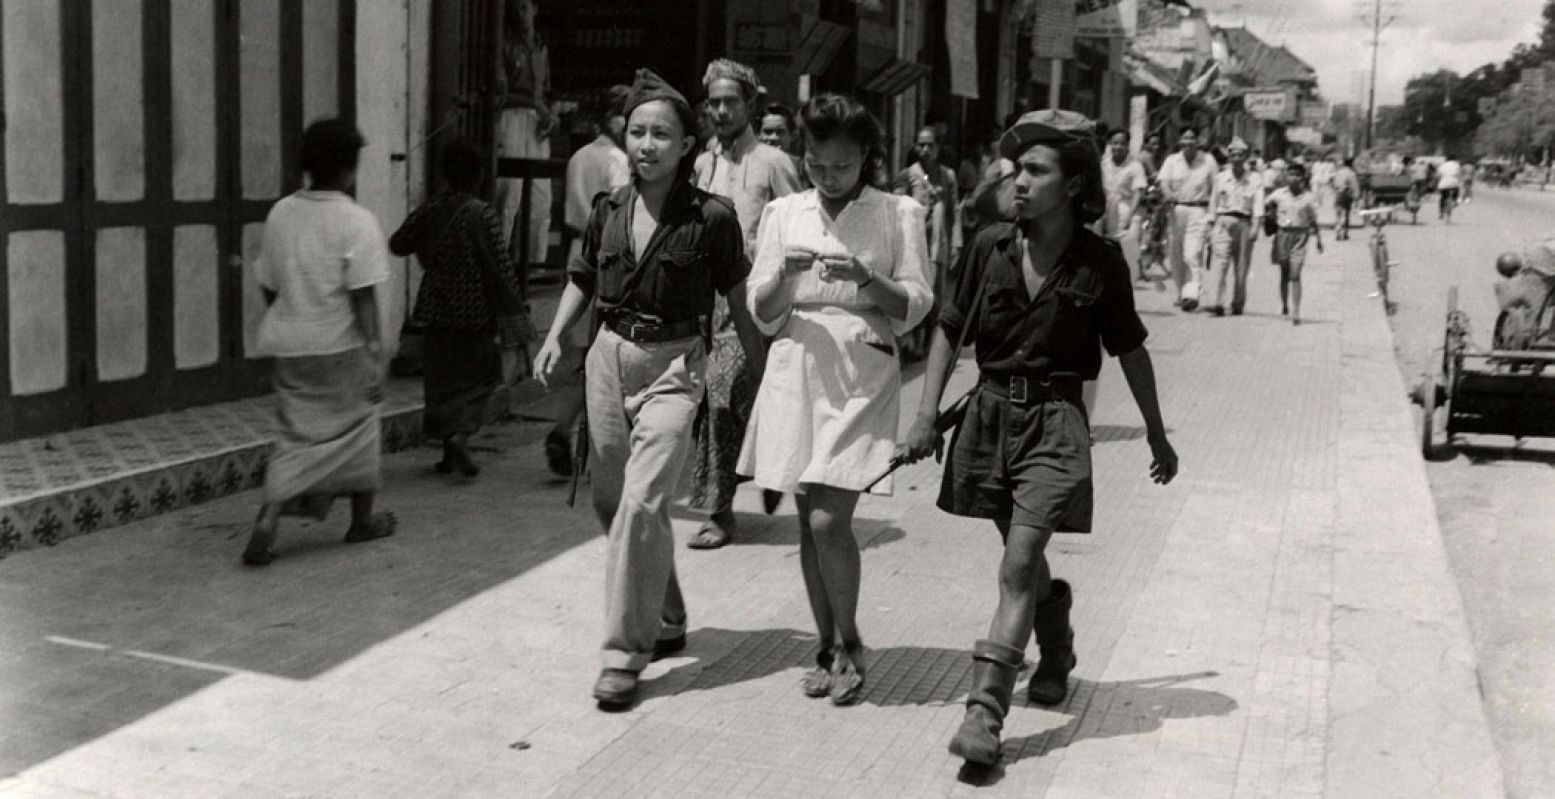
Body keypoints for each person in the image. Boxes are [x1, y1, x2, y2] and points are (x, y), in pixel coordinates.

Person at [899, 109, 1178, 766]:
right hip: (989, 415)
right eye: (1015, 169)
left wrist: (1156, 435)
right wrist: (922, 414)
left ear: (1075, 185)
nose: (1016, 180)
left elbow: (1130, 350)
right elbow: (947, 327)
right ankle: (1055, 645)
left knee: (1018, 561)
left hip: (1056, 422)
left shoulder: (1101, 264)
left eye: (1034, 170)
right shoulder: (988, 246)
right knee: (1017, 552)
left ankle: (984, 713)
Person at [532, 69, 763, 708]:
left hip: (675, 365)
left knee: (639, 504)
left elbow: (740, 303)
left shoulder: (712, 218)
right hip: (608, 357)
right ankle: (667, 612)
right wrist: (555, 336)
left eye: (662, 133)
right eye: (637, 132)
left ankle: (622, 656)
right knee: (616, 507)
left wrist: (761, 377)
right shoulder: (608, 210)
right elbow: (582, 278)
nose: (647, 145)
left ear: (688, 143)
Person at [738, 93, 935, 706]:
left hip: (862, 367)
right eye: (817, 166)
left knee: (830, 518)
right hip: (796, 365)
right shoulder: (783, 214)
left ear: (867, 159)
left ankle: (850, 641)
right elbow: (762, 313)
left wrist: (867, 279)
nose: (828, 179)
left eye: (842, 168)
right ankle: (826, 646)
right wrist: (787, 278)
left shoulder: (898, 212)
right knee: (807, 519)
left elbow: (917, 305)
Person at [242, 119, 398, 566]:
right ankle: (361, 521)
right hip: (340, 345)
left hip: (290, 342)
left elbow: (268, 283)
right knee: (362, 426)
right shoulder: (357, 221)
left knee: (295, 435)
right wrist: (375, 354)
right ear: (351, 169)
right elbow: (362, 295)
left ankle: (269, 516)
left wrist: (296, 310)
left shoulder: (281, 213)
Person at [689, 58, 801, 549]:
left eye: (730, 101)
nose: (720, 110)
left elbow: (797, 226)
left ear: (750, 104)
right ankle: (733, 494)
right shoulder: (701, 162)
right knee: (717, 400)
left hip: (755, 304)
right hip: (705, 302)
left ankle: (724, 508)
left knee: (730, 392)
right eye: (713, 102)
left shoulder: (774, 164)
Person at [390, 139, 527, 478]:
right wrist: (514, 311)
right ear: (480, 176)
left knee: (441, 382)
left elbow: (398, 243)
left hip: (436, 311)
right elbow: (501, 267)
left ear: (443, 174)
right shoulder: (482, 215)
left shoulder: (430, 210)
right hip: (475, 313)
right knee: (480, 379)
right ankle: (459, 436)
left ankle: (449, 443)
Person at [544, 85, 632, 477]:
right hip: (607, 255)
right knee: (604, 354)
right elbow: (624, 214)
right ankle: (579, 435)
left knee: (586, 353)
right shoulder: (617, 160)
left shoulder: (580, 155)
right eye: (621, 115)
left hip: (579, 250)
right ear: (607, 118)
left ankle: (570, 430)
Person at [494, 0, 555, 268]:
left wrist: (549, 116)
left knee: (541, 199)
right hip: (512, 118)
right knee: (509, 195)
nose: (520, 13)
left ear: (535, 9)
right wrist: (535, 105)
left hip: (536, 123)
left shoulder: (542, 48)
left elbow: (546, 92)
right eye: (515, 7)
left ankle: (532, 267)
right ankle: (498, 265)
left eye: (524, 7)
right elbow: (500, 94)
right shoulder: (504, 46)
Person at [894, 125, 962, 360]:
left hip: (937, 246)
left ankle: (927, 345)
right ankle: (910, 343)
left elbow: (954, 211)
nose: (925, 149)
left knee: (934, 296)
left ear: (938, 147)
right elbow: (897, 208)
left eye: (930, 145)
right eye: (921, 145)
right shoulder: (907, 175)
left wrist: (956, 244)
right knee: (914, 292)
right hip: (913, 245)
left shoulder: (947, 175)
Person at [1156, 126, 1220, 311]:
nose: (1189, 142)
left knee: (1192, 253)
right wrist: (1168, 194)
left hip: (1199, 210)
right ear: (1180, 141)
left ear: (1198, 141)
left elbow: (1216, 189)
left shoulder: (1208, 160)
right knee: (1176, 254)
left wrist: (1212, 215)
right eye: (1185, 138)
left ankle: (1192, 294)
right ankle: (1180, 293)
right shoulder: (1172, 160)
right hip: (1176, 211)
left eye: (1192, 138)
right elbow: (1164, 182)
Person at [1203, 137, 1262, 316]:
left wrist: (1256, 227)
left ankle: (1238, 303)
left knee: (1241, 266)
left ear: (1246, 157)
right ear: (1229, 157)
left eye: (1240, 155)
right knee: (1220, 263)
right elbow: (1213, 203)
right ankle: (1217, 302)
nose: (1237, 158)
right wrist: (1209, 225)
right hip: (1223, 222)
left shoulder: (1254, 178)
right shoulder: (1221, 178)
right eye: (1233, 155)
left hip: (1244, 222)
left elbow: (1259, 204)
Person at [1265, 162, 1324, 325]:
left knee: (1295, 274)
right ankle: (1285, 305)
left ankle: (1296, 311)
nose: (1294, 178)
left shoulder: (1309, 198)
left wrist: (1319, 240)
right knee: (1284, 273)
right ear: (1286, 176)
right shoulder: (1279, 194)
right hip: (1282, 235)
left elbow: (1314, 220)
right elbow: (1266, 204)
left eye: (1297, 175)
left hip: (1300, 236)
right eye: (1291, 174)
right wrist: (1269, 215)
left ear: (1303, 177)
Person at [1100, 129, 1148, 279]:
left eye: (1122, 143)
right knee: (1105, 249)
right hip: (1107, 209)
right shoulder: (1103, 164)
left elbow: (1138, 192)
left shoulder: (1135, 166)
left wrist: (1130, 215)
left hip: (1127, 209)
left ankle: (1130, 281)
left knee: (1129, 246)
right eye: (1115, 143)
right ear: (1109, 144)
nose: (1118, 147)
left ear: (1127, 145)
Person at [1332, 157, 1360, 240]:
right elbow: (1354, 186)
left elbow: (1334, 183)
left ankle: (1338, 232)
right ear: (1351, 164)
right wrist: (1356, 196)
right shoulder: (1351, 173)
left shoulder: (1338, 172)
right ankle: (1345, 233)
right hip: (1347, 194)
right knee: (1346, 214)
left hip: (1338, 193)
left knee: (1338, 215)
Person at [1437, 154, 1462, 221]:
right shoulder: (1457, 165)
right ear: (1454, 159)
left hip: (1443, 184)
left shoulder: (1442, 165)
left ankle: (1441, 213)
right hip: (1454, 183)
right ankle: (1455, 202)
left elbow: (1439, 175)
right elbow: (1459, 175)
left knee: (1443, 197)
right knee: (1456, 195)